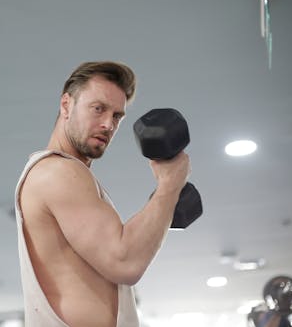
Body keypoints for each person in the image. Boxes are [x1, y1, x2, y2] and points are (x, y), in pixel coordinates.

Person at [14, 61, 190, 327]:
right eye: (98, 109)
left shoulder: (67, 175)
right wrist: (169, 185)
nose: (108, 124)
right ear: (66, 105)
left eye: (117, 116)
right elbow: (125, 261)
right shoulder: (58, 171)